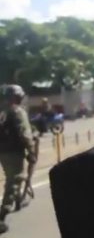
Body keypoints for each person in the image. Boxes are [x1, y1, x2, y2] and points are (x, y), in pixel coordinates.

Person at [0, 85, 36, 234]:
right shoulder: (17, 111)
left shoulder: (3, 111)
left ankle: (17, 201)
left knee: (12, 177)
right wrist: (31, 150)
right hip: (14, 151)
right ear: (17, 96)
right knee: (15, 180)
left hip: (3, 151)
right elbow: (25, 134)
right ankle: (2, 216)